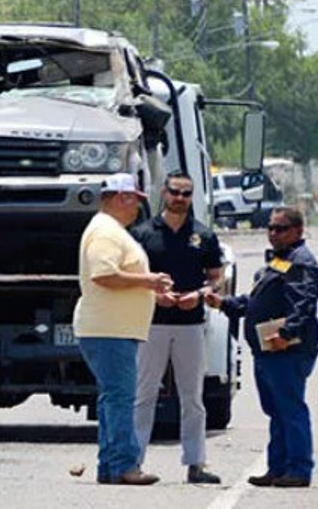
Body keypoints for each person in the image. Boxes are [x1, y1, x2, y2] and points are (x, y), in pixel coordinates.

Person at [207, 206, 318, 488]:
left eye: (280, 229)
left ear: (297, 231)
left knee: (290, 409)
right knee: (277, 411)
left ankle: (299, 469)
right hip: (267, 349)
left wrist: (286, 333)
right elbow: (256, 301)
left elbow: (304, 302)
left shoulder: (301, 261)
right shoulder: (280, 261)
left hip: (286, 349)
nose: (273, 233)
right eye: (270, 228)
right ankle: (278, 467)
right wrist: (224, 303)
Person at [73, 173, 172, 486]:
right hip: (109, 329)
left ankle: (111, 465)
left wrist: (152, 294)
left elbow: (114, 278)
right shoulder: (106, 233)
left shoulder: (111, 230)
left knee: (112, 397)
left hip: (110, 327)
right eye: (135, 200)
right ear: (121, 198)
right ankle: (125, 465)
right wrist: (149, 281)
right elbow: (104, 275)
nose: (138, 208)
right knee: (120, 397)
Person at [130, 171, 223, 484]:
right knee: (143, 395)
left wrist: (198, 295)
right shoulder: (143, 233)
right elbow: (130, 276)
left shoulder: (203, 235)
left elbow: (216, 276)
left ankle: (196, 463)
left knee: (192, 397)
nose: (180, 198)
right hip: (152, 323)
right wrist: (156, 294)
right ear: (164, 194)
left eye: (186, 193)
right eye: (175, 192)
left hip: (190, 324)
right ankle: (134, 460)